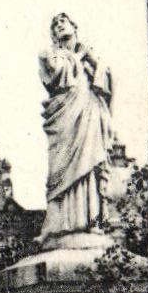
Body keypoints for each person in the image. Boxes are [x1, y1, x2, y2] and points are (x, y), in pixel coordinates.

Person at [38, 12, 113, 240]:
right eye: (55, 24)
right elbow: (56, 75)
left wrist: (94, 62)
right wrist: (79, 57)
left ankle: (92, 219)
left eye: (64, 21)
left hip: (88, 114)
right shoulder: (49, 53)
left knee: (89, 161)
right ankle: (59, 223)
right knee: (60, 168)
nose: (59, 25)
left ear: (74, 27)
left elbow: (106, 83)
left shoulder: (89, 55)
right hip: (64, 118)